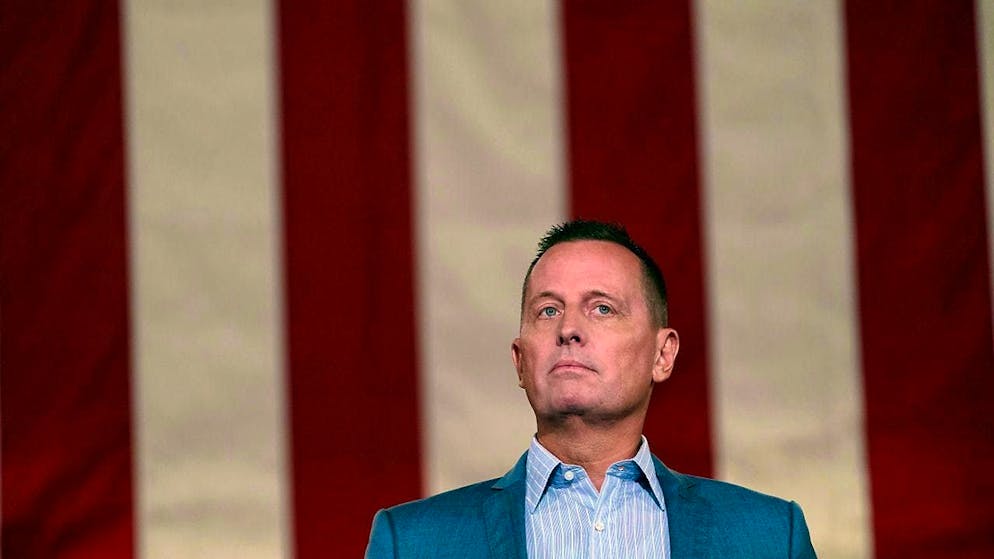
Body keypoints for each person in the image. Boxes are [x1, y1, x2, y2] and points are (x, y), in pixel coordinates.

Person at [366, 220, 817, 558]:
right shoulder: (411, 543)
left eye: (602, 308)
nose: (569, 329)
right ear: (520, 360)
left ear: (663, 355)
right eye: (547, 310)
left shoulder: (772, 537)